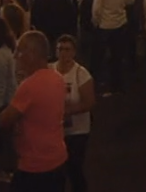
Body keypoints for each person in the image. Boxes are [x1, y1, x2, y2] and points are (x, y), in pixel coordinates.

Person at [0, 31, 67, 192]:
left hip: (35, 164)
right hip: (57, 158)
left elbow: (4, 120)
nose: (15, 56)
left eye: (19, 51)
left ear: (31, 54)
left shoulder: (30, 85)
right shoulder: (57, 78)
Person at [50, 35, 95, 192]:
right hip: (56, 130)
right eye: (60, 49)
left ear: (74, 52)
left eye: (67, 49)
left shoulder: (81, 74)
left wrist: (67, 111)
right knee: (57, 171)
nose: (63, 53)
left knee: (74, 168)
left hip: (77, 131)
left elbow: (89, 102)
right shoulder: (49, 70)